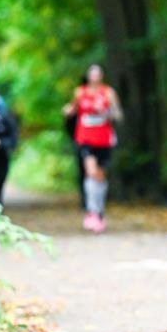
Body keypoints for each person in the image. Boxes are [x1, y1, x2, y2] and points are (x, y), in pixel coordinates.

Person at [61, 64, 123, 233]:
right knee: (90, 172)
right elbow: (72, 110)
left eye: (98, 74)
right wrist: (68, 110)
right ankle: (91, 212)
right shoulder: (80, 92)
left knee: (100, 176)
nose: (95, 77)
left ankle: (100, 211)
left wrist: (106, 111)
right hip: (85, 137)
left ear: (101, 76)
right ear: (88, 76)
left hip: (103, 139)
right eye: (92, 74)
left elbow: (118, 114)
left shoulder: (108, 92)